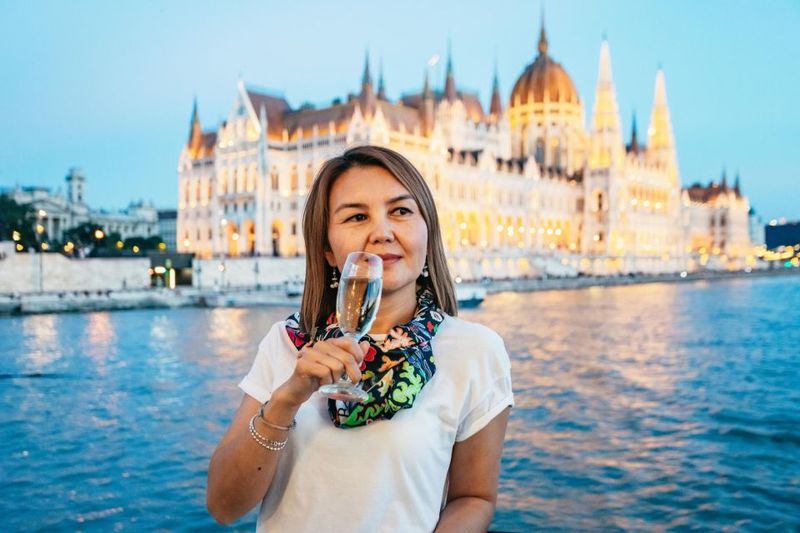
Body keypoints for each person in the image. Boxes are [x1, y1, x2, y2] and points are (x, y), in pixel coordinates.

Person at [207, 145, 514, 532]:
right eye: (357, 216)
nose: (382, 232)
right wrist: (286, 400)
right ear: (327, 249)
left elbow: (474, 498)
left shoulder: (475, 351)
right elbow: (222, 506)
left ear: (427, 229)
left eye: (401, 211)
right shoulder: (285, 344)